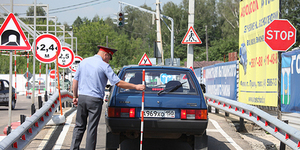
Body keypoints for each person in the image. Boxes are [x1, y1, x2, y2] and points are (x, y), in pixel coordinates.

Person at [70, 45, 145, 150]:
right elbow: (118, 83)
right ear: (105, 54)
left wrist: (75, 96)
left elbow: (75, 81)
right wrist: (136, 86)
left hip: (82, 98)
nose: (108, 61)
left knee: (79, 126)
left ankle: (73, 148)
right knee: (91, 128)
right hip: (95, 100)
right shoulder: (104, 66)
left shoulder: (83, 62)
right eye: (109, 58)